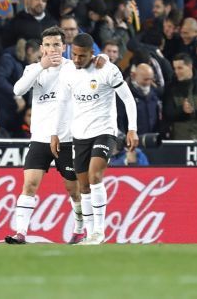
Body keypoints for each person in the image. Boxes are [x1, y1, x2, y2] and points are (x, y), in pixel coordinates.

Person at [5, 27, 86, 245]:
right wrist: (42, 65)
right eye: (48, 45)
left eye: (56, 45)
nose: (52, 49)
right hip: (40, 138)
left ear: (64, 47)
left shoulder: (74, 68)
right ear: (42, 48)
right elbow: (18, 90)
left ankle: (80, 228)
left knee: (73, 190)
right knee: (29, 184)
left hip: (67, 139)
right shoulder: (34, 68)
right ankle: (20, 232)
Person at [55, 33, 138, 245]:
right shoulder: (67, 72)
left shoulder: (107, 69)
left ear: (92, 53)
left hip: (105, 131)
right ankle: (91, 234)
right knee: (83, 187)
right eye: (73, 54)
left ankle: (100, 231)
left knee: (95, 176)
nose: (76, 59)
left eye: (81, 56)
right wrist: (56, 133)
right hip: (79, 134)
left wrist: (132, 129)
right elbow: (63, 104)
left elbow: (128, 99)